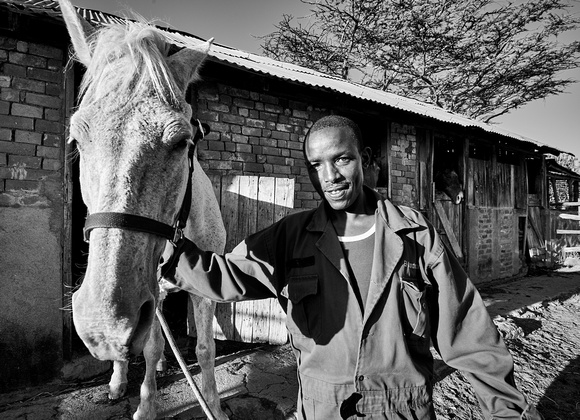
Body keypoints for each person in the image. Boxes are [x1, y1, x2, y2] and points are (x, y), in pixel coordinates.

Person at [160, 115, 541, 419]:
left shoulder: (413, 236)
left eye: (341, 159)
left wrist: (508, 411)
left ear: (367, 159)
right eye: (316, 164)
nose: (330, 176)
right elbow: (225, 276)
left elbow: (469, 334)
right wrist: (165, 253)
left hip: (401, 409)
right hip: (321, 407)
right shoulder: (291, 236)